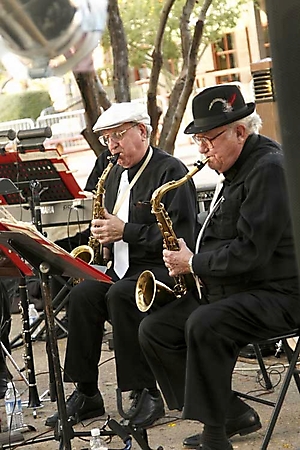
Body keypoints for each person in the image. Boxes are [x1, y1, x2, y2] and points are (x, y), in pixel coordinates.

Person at [139, 84, 300, 450]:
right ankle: (229, 412)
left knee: (204, 323)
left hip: (279, 294)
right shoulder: (237, 166)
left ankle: (215, 436)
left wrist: (194, 262)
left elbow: (251, 252)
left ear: (240, 132)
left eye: (208, 140)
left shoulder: (268, 169)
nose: (202, 150)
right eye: (199, 141)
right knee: (156, 329)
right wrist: (188, 252)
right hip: (239, 290)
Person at [45, 101, 199, 429]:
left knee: (120, 295)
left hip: (163, 271)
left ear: (142, 132)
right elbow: (109, 225)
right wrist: (100, 233)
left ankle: (146, 392)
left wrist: (124, 231)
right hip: (122, 268)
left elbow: (181, 237)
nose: (112, 146)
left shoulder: (170, 171)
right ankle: (86, 392)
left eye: (118, 135)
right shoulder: (113, 174)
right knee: (83, 294)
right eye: (106, 139)